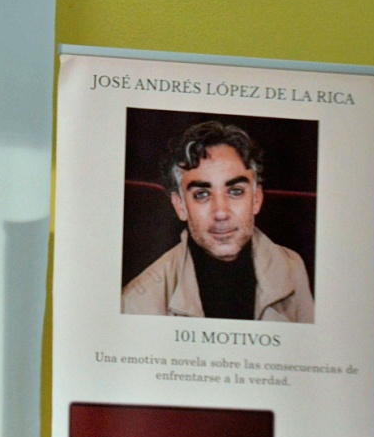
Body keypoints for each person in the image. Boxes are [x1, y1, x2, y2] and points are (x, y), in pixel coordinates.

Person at [122, 121, 315, 322]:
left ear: (256, 199)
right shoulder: (137, 302)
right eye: (202, 194)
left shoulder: (292, 267)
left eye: (235, 191)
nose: (221, 212)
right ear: (180, 205)